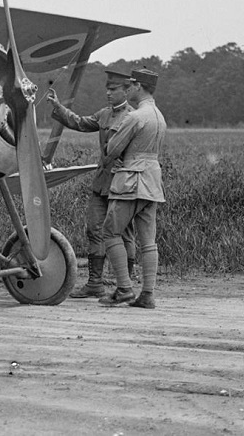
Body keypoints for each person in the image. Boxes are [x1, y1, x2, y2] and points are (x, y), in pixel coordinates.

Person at [45, 69, 137, 298]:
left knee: (124, 234)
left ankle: (124, 285)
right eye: (107, 88)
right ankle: (95, 283)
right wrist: (58, 106)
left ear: (126, 91)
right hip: (101, 184)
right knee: (94, 230)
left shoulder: (134, 117)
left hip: (123, 184)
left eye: (114, 89)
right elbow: (80, 123)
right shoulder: (104, 115)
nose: (108, 93)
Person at [99, 68, 167, 309]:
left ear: (139, 87)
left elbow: (112, 149)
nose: (128, 89)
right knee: (148, 241)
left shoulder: (136, 116)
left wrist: (112, 151)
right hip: (152, 182)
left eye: (131, 86)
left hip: (130, 181)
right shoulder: (159, 116)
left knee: (110, 232)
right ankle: (147, 294)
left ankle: (124, 288)